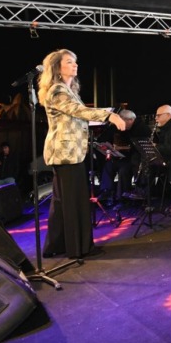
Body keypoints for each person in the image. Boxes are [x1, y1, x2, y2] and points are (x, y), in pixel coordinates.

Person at [39, 49, 126, 259]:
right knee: (74, 201)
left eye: (75, 61)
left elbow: (76, 116)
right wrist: (109, 115)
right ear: (57, 67)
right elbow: (77, 111)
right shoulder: (57, 90)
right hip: (66, 154)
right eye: (69, 62)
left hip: (69, 152)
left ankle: (56, 245)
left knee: (62, 202)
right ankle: (79, 248)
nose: (75, 65)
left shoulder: (69, 91)